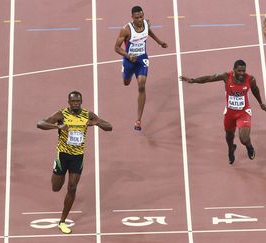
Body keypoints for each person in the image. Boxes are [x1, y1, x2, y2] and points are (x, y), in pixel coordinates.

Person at [37, 91, 112, 234]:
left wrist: (96, 123)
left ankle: (62, 222)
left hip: (77, 157)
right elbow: (40, 123)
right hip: (62, 156)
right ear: (69, 102)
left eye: (78, 101)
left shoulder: (87, 114)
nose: (76, 103)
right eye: (73, 101)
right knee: (56, 187)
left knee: (72, 188)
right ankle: (58, 174)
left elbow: (109, 127)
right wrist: (57, 127)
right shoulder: (62, 114)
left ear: (81, 101)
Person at [180, 60, 266, 164]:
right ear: (234, 70)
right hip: (230, 114)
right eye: (239, 71)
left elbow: (255, 90)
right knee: (229, 136)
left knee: (244, 139)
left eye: (243, 71)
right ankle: (231, 149)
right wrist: (193, 80)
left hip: (243, 113)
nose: (242, 73)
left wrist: (261, 103)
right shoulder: (226, 76)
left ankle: (249, 147)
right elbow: (209, 78)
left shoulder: (250, 79)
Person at [114, 5, 168, 131]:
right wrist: (128, 55)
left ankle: (138, 120)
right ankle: (126, 72)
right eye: (137, 17)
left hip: (142, 59)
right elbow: (116, 48)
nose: (139, 19)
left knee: (142, 86)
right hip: (129, 61)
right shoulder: (126, 30)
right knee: (126, 83)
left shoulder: (146, 23)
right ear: (132, 17)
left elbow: (148, 32)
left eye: (141, 16)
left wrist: (159, 42)